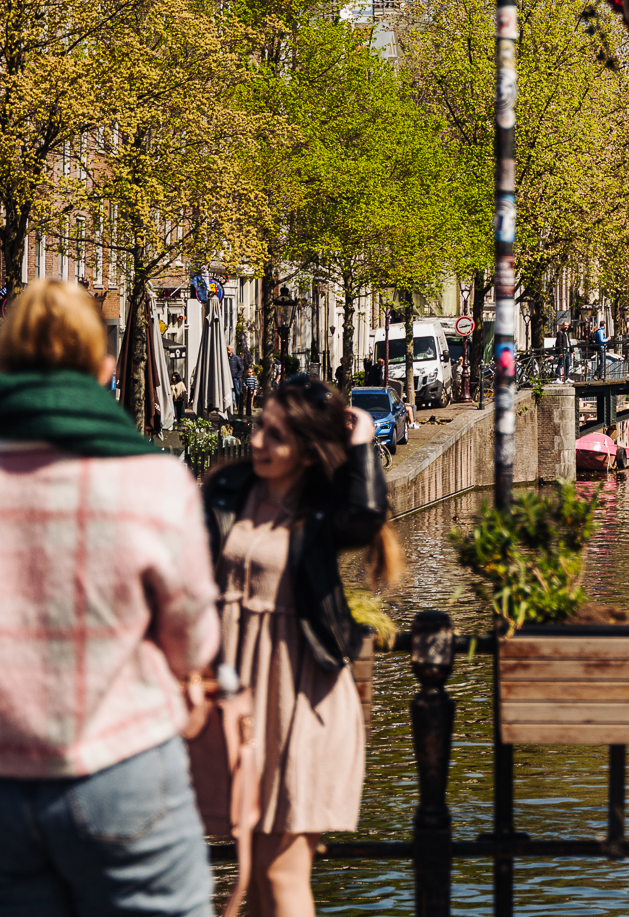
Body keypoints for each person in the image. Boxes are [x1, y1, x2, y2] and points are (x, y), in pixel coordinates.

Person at [0, 279, 220, 917]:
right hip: (120, 767)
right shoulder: (155, 482)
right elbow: (193, 642)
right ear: (104, 369)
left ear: (0, 366)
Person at [197, 373, 402, 917]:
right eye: (259, 427)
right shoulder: (230, 489)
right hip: (241, 703)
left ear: (309, 451)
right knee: (257, 880)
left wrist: (361, 445)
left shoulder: (323, 510)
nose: (258, 442)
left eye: (277, 435)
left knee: (280, 874)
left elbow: (365, 516)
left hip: (300, 698)